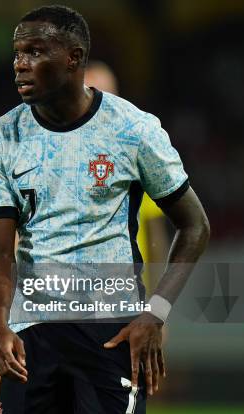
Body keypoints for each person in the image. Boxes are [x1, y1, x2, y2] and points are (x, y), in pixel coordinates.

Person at [0, 5, 210, 414]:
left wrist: (155, 314)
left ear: (73, 57)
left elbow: (195, 226)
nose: (19, 64)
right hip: (34, 332)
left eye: (34, 51)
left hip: (113, 332)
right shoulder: (0, 137)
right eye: (17, 53)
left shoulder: (133, 130)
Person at [84, 60, 170, 288]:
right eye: (91, 95)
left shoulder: (137, 151)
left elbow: (155, 234)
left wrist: (159, 305)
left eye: (107, 95)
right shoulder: (55, 157)